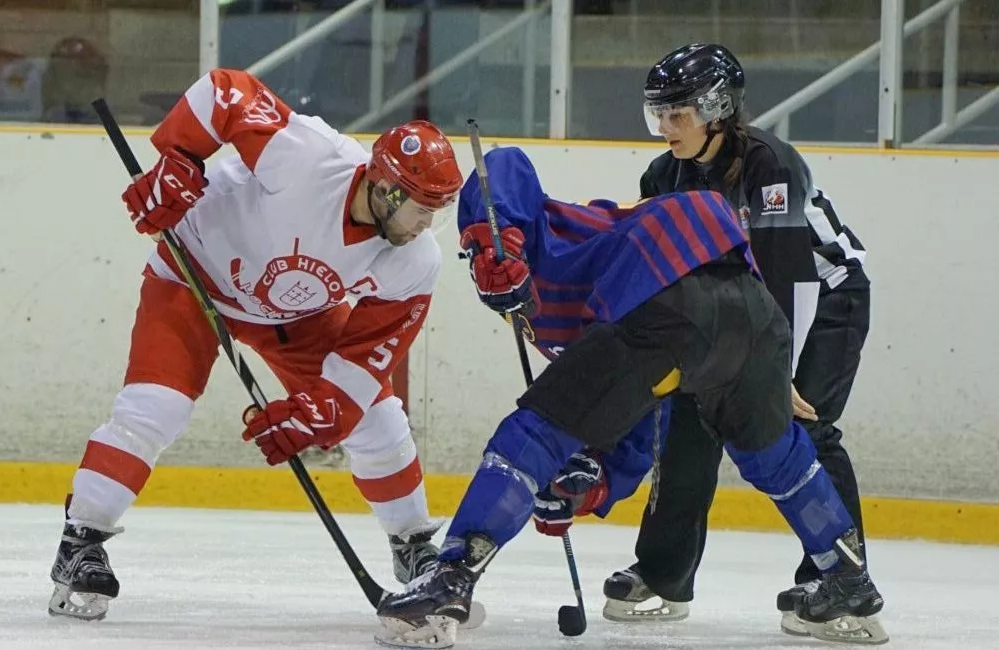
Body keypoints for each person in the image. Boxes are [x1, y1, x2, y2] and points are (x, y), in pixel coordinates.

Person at [372, 145, 883, 649]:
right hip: (746, 306)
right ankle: (846, 578)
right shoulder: (590, 332)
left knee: (526, 440)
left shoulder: (544, 237)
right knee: (775, 454)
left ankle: (450, 578)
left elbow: (499, 167)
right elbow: (644, 415)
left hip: (665, 282)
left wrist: (493, 242)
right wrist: (586, 486)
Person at [47, 68, 464, 621]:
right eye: (420, 207)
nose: (427, 223)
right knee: (155, 408)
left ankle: (413, 547)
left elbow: (368, 357)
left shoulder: (415, 260)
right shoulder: (310, 157)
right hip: (195, 278)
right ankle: (80, 544)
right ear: (386, 188)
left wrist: (327, 411)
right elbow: (225, 91)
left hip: (298, 315)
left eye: (438, 209)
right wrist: (180, 158)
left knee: (377, 419)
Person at [603, 42, 876, 643]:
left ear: (717, 109)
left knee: (803, 427)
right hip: (729, 307)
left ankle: (838, 580)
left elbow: (787, 272)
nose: (665, 129)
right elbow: (665, 267)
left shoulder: (769, 165)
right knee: (687, 422)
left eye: (678, 114)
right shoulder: (662, 175)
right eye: (659, 115)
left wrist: (777, 375)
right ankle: (663, 574)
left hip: (825, 301)